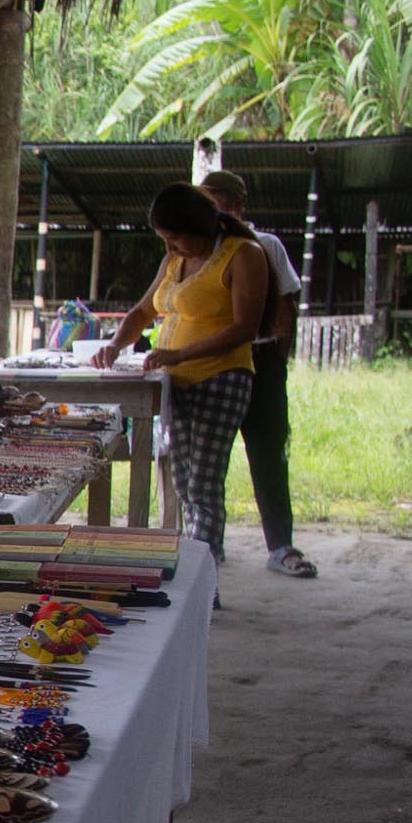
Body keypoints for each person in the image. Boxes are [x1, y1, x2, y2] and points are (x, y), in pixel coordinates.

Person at [90, 183, 267, 569]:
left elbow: (245, 328)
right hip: (176, 383)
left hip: (222, 379)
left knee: (203, 484)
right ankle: (199, 561)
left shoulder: (244, 255)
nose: (170, 247)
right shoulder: (174, 261)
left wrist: (180, 354)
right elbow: (143, 311)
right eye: (165, 240)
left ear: (200, 227)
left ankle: (203, 572)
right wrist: (115, 345)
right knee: (184, 482)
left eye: (175, 238)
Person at [199, 169, 317, 578]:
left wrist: (277, 357)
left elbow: (286, 304)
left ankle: (281, 547)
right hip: (213, 362)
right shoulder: (198, 250)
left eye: (213, 200)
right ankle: (207, 549)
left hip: (261, 360)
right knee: (207, 464)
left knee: (268, 454)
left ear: (236, 203)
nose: (208, 210)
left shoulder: (265, 245)